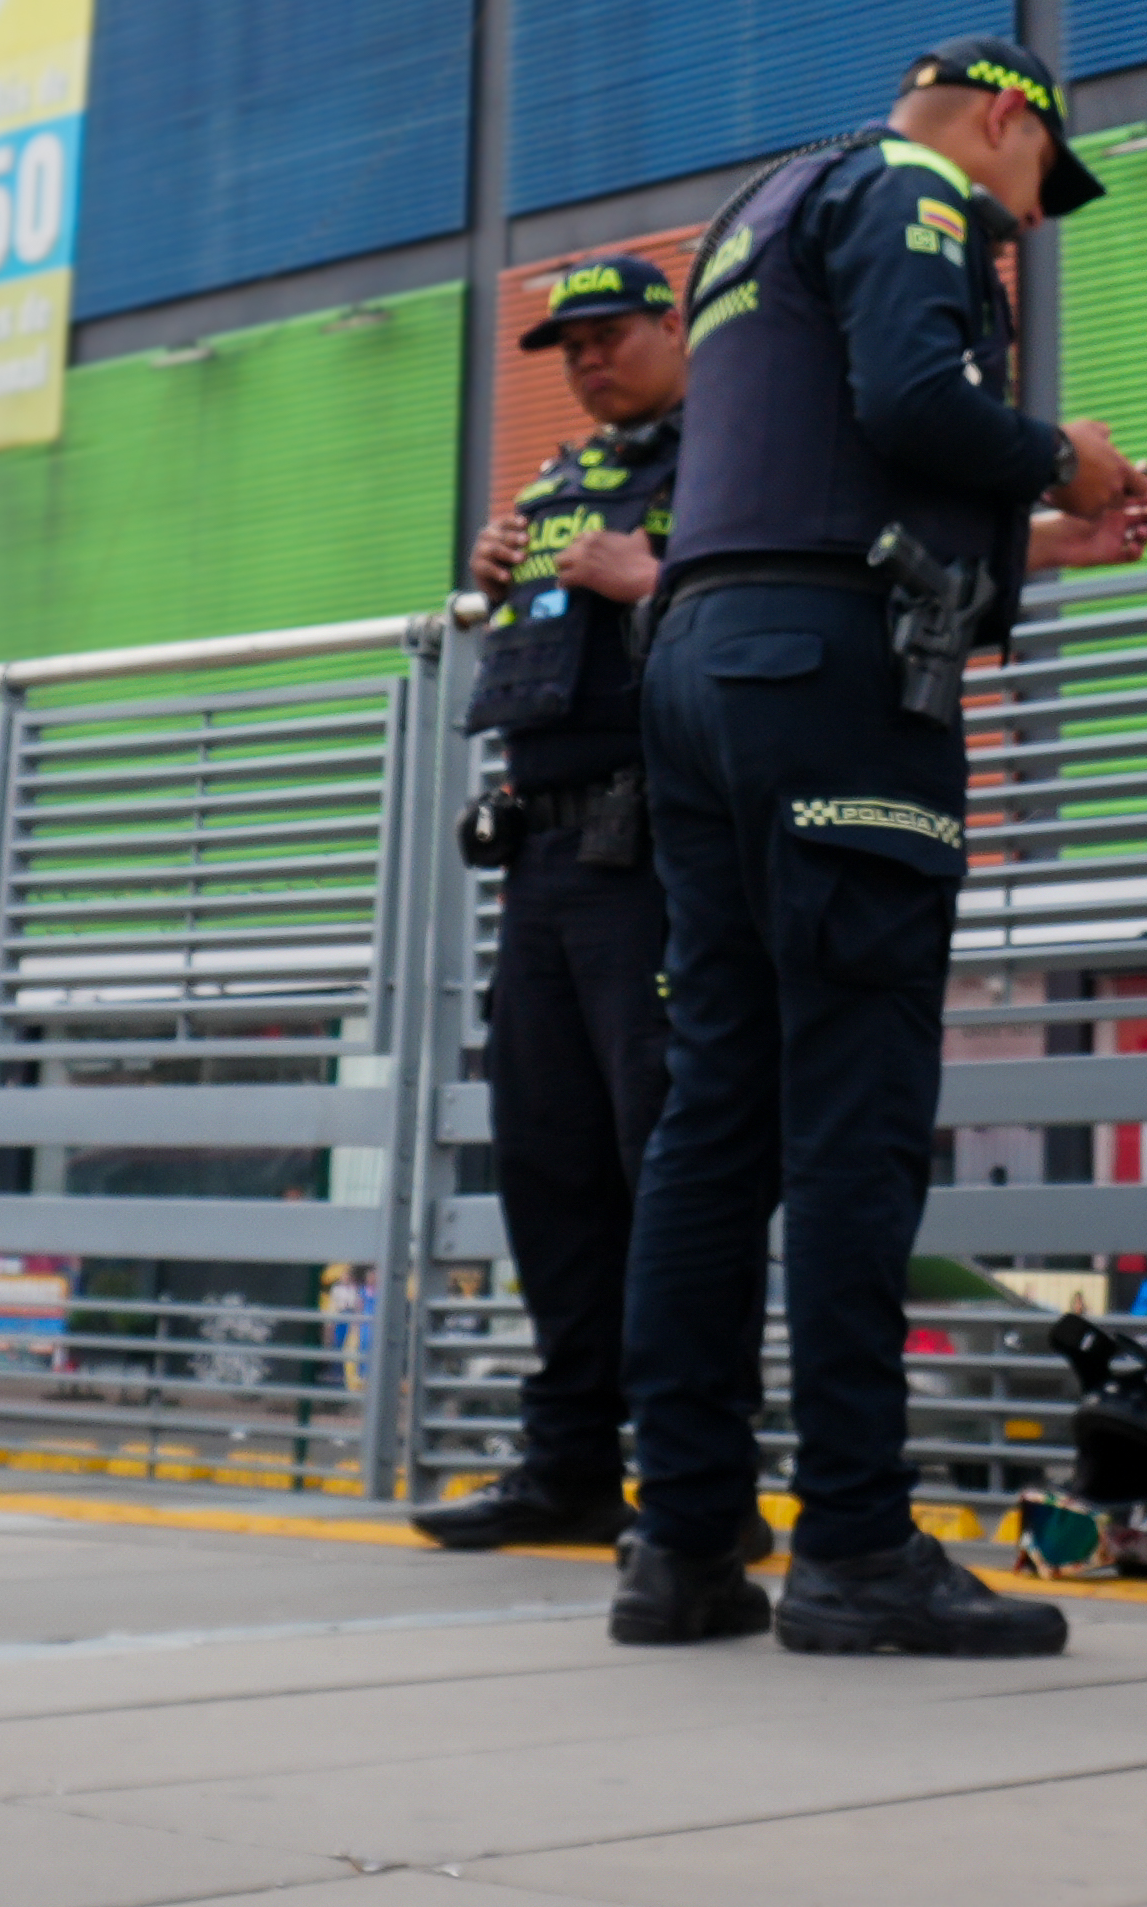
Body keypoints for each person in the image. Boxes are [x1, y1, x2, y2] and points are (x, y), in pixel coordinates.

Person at [615, 35, 1147, 1660]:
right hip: (834, 691)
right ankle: (852, 1541)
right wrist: (1061, 450)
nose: (1028, 220)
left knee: (715, 1116)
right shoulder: (921, 189)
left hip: (705, 669)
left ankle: (683, 1543)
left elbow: (831, 464)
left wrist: (1044, 531)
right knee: (854, 1116)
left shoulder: (760, 210)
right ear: (1004, 117)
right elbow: (916, 400)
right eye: (1037, 184)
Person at [415, 257, 705, 1553]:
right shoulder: (558, 482)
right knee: (548, 1168)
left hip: (653, 862)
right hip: (539, 862)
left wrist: (654, 568)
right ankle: (568, 1464)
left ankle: (691, 1484)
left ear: (672, 326)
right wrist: (487, 575)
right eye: (566, 347)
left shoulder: (737, 458)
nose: (587, 363)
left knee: (668, 1170)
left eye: (608, 337)